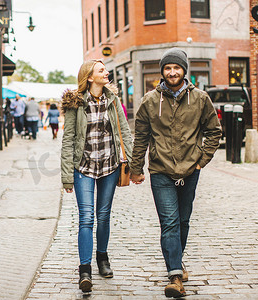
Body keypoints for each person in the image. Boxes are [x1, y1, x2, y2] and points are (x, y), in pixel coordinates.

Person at [130, 48, 222, 298]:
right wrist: (135, 169)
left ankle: (176, 261)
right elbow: (141, 137)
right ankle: (175, 276)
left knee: (182, 221)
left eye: (176, 68)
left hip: (191, 169)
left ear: (184, 70)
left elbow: (214, 131)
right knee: (169, 222)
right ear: (162, 71)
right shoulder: (150, 100)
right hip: (160, 170)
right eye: (167, 68)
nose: (172, 72)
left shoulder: (201, 99)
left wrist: (202, 160)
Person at [61, 59, 133, 293]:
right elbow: (68, 139)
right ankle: (85, 270)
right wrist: (66, 176)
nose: (107, 72)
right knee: (86, 218)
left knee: (104, 216)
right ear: (89, 77)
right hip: (83, 168)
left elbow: (125, 132)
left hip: (109, 167)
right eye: (101, 70)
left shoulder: (113, 100)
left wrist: (133, 165)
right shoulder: (76, 103)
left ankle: (102, 258)